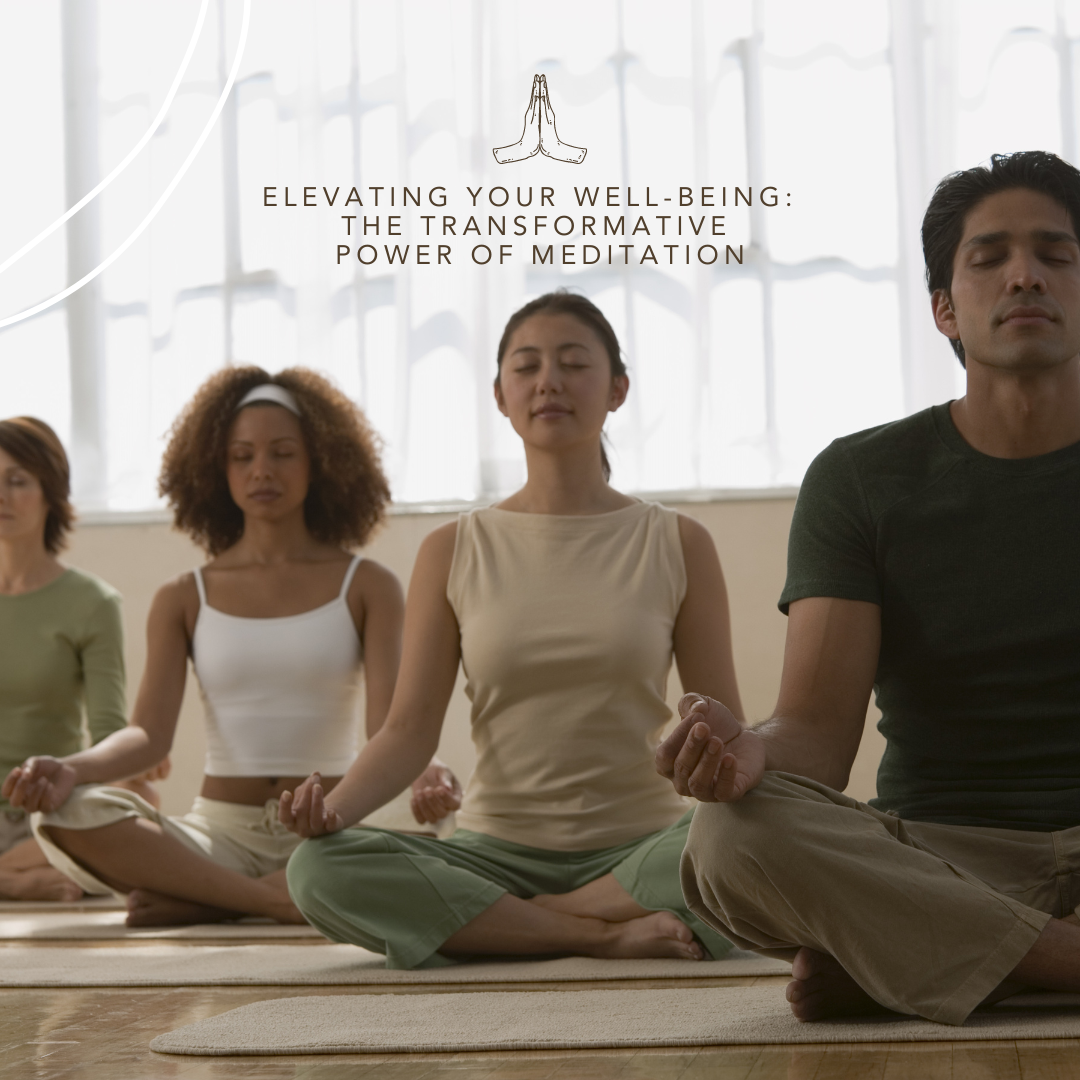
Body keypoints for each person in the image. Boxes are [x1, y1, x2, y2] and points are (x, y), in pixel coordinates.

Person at [657, 150, 1080, 1027]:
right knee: (731, 835)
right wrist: (750, 749)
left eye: (1056, 253)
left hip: (955, 900)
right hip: (944, 859)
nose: (1027, 274)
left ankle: (932, 961)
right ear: (943, 309)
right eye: (989, 256)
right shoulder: (862, 477)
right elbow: (814, 734)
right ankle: (1047, 958)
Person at [280, 291, 744, 969]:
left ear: (618, 389)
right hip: (496, 854)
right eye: (526, 366)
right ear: (500, 395)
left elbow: (721, 724)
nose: (548, 380)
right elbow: (408, 732)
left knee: (748, 841)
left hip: (644, 847)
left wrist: (726, 780)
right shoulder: (453, 546)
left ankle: (509, 927)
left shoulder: (676, 540)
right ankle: (597, 932)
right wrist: (334, 814)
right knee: (315, 871)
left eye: (572, 362)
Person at [1, 368, 422, 926]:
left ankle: (206, 897)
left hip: (332, 827)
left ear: (319, 460)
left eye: (282, 453)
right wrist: (72, 769)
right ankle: (274, 898)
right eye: (241, 456)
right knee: (67, 814)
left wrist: (430, 770)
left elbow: (389, 727)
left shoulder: (368, 584)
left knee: (435, 838)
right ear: (215, 469)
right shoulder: (184, 595)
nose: (261, 471)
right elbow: (148, 737)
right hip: (219, 834)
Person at [0, 416, 167, 902]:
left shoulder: (93, 603)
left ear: (50, 492)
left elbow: (112, 736)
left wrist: (137, 767)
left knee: (138, 798)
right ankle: (20, 882)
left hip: (50, 815)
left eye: (17, 481)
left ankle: (16, 876)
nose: (2, 495)